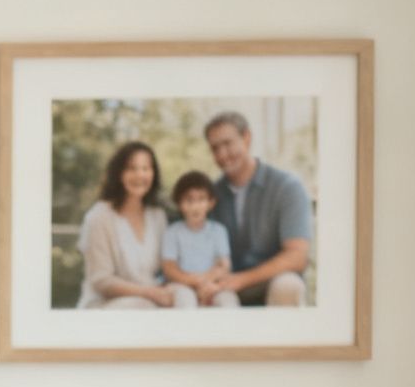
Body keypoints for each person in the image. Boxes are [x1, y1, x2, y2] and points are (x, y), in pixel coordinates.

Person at [203, 110, 313, 307]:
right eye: (214, 148)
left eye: (227, 144)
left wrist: (242, 279)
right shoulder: (210, 196)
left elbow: (297, 256)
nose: (222, 155)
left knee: (288, 285)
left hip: (273, 283)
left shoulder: (287, 187)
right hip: (229, 289)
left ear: (247, 137)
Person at [75, 140, 183, 309]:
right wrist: (150, 293)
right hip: (106, 304)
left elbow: (166, 268)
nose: (140, 175)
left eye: (146, 168)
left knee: (184, 296)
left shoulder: (158, 216)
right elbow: (101, 281)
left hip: (150, 297)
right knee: (142, 306)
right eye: (132, 168)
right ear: (118, 173)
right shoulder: (99, 216)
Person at [160, 170, 237, 308]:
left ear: (211, 203)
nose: (195, 206)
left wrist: (208, 283)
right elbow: (169, 268)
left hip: (212, 284)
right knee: (185, 299)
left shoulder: (218, 231)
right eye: (189, 200)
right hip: (182, 285)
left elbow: (224, 265)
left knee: (228, 300)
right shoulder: (172, 232)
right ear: (179, 203)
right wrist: (196, 282)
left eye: (201, 199)